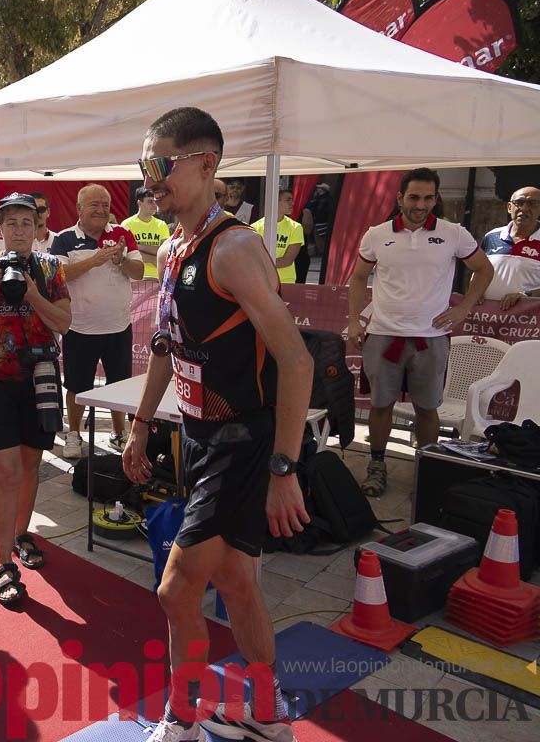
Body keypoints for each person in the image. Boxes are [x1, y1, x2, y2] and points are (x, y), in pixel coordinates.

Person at [123, 106, 314, 742]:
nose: (150, 180)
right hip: (200, 438)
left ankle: (183, 718)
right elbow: (165, 342)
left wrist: (285, 467)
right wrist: (143, 422)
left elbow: (296, 358)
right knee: (237, 585)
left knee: (176, 592)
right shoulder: (175, 246)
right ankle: (268, 717)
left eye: (161, 164)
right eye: (144, 165)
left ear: (207, 164)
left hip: (241, 444)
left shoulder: (234, 248)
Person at [348, 168, 494, 496]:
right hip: (384, 334)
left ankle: (426, 469)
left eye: (429, 198)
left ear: (436, 199)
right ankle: (377, 465)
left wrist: (464, 307)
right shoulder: (376, 234)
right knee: (380, 404)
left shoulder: (454, 234)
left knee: (427, 408)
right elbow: (358, 277)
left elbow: (484, 269)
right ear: (400, 197)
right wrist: (355, 319)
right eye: (414, 197)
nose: (421, 204)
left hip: (430, 338)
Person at [0, 192, 71, 605]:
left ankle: (20, 534)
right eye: (10, 223)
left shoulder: (50, 268)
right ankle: (2, 562)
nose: (19, 231)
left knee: (31, 467)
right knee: (5, 473)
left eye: (26, 223)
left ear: (38, 228)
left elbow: (64, 323)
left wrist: (31, 294)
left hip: (39, 380)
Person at [49, 184, 145, 456]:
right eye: (95, 204)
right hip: (80, 328)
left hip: (118, 327)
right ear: (79, 208)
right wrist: (94, 260)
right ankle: (74, 434)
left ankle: (117, 433)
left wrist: (120, 259)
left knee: (119, 385)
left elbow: (138, 271)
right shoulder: (65, 239)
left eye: (106, 204)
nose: (102, 210)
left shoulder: (122, 234)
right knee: (77, 386)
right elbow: (60, 275)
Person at [480, 186, 540, 309]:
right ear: (509, 207)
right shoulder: (491, 236)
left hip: (528, 321)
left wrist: (526, 295)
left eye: (532, 203)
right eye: (518, 203)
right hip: (486, 318)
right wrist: (474, 293)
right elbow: (478, 270)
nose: (524, 208)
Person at [250, 189, 304, 284]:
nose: (292, 203)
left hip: (285, 280)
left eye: (292, 200)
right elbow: (252, 257)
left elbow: (287, 260)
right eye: (288, 200)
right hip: (262, 280)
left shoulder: (296, 227)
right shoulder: (255, 227)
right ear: (275, 201)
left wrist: (261, 263)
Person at [121, 186, 170, 278]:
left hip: (156, 277)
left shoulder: (162, 225)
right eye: (150, 201)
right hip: (134, 277)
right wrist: (152, 259)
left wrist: (137, 246)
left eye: (155, 201)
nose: (154, 205)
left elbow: (164, 252)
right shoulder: (127, 224)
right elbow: (126, 252)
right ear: (139, 203)